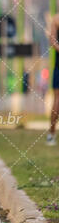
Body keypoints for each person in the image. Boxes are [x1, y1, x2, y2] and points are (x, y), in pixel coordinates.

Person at [47, 11, 59, 145]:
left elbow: (52, 41)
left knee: (57, 99)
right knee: (57, 99)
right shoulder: (56, 18)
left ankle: (51, 135)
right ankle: (51, 134)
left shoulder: (56, 18)